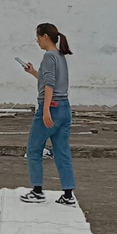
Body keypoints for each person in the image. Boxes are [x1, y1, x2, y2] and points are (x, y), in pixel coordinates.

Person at [19, 23, 77, 206]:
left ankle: (37, 191)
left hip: (51, 107)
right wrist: (34, 72)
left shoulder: (49, 57)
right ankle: (68, 195)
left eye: (37, 36)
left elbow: (49, 85)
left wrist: (45, 110)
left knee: (34, 150)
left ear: (45, 36)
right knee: (62, 152)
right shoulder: (60, 56)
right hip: (65, 108)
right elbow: (50, 80)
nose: (36, 40)